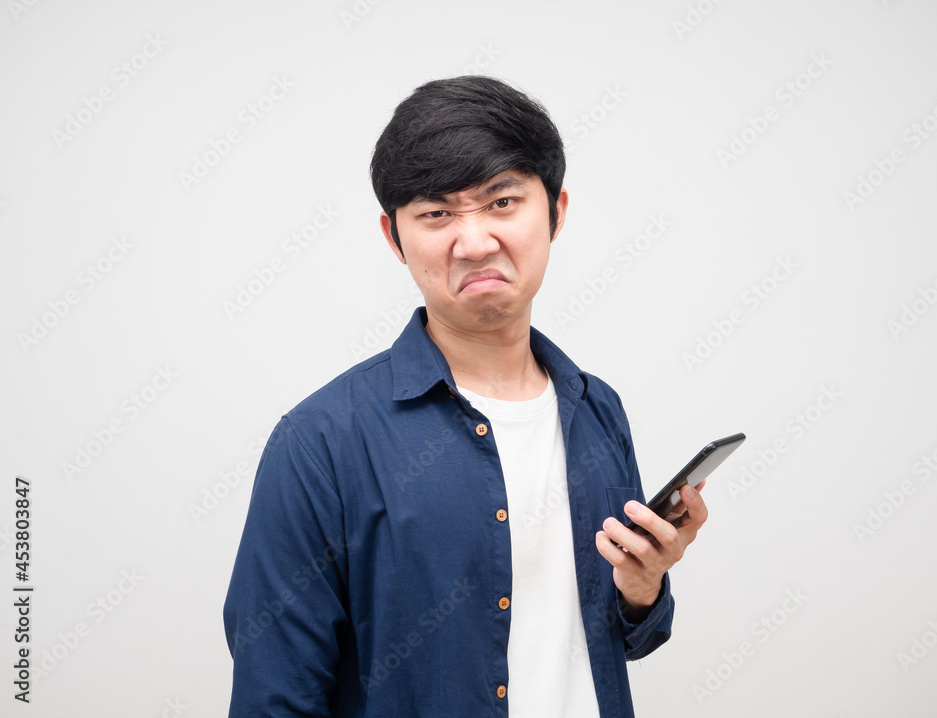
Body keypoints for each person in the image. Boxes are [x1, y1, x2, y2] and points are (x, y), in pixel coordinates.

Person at [223, 75, 708, 717]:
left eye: (502, 202)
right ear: (394, 236)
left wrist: (643, 587)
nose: (475, 242)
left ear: (557, 211)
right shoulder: (321, 442)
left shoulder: (596, 411)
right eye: (437, 214)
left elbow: (620, 637)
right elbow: (274, 695)